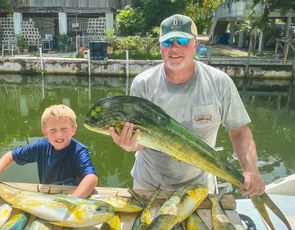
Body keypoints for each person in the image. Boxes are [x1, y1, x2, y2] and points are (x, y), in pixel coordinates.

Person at [109, 14, 265, 196]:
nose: (175, 48)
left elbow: (238, 131)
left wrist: (251, 169)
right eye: (168, 42)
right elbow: (140, 140)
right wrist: (129, 145)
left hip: (199, 188)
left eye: (182, 40)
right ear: (160, 46)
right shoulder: (142, 83)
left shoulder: (220, 82)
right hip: (148, 184)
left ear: (195, 45)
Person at [0, 104, 98, 198]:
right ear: (45, 132)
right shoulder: (41, 146)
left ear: (73, 129)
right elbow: (10, 155)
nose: (59, 135)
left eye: (64, 129)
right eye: (53, 130)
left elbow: (91, 178)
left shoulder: (79, 150)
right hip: (48, 195)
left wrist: (73, 200)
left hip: (75, 195)